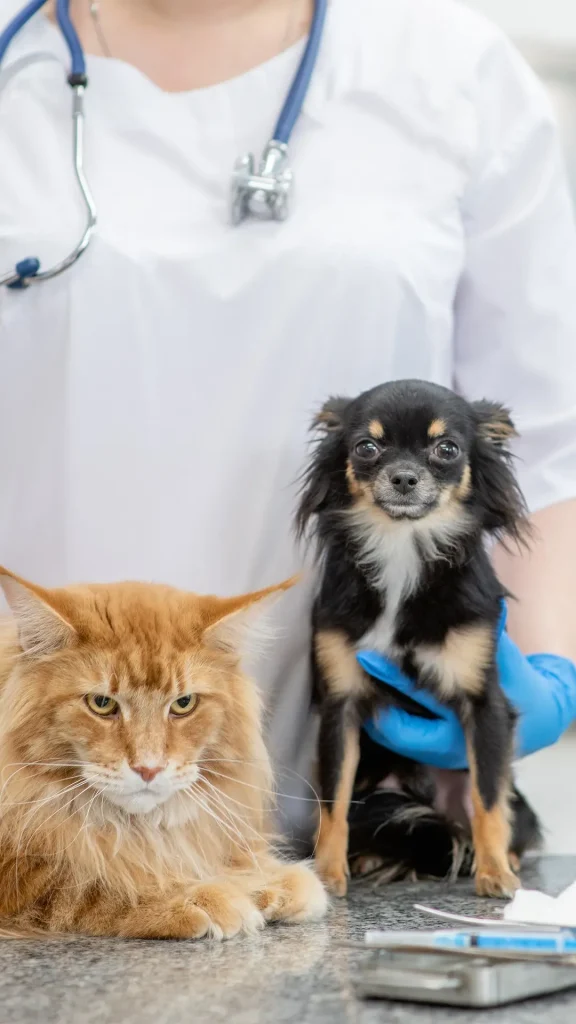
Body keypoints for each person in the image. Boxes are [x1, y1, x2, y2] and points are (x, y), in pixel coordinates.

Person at [1, 0, 576, 845]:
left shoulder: (455, 72)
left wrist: (550, 670)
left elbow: (545, 440)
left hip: (356, 806)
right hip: (33, 810)